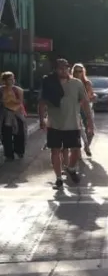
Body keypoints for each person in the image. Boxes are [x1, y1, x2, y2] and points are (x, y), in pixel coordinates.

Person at [39, 58, 93, 188]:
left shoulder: (77, 83)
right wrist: (41, 119)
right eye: (60, 68)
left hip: (73, 123)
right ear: (56, 69)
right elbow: (42, 102)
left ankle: (71, 168)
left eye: (65, 67)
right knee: (55, 151)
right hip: (54, 123)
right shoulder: (49, 83)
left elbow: (85, 102)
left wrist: (89, 121)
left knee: (75, 150)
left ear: (68, 68)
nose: (63, 70)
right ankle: (58, 178)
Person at [1, 71, 27, 160]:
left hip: (17, 113)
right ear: (4, 80)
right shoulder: (1, 90)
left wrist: (9, 100)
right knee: (6, 135)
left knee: (20, 134)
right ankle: (9, 154)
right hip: (5, 115)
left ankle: (19, 151)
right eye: (9, 79)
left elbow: (20, 101)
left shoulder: (18, 90)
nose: (12, 81)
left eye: (13, 78)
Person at [72, 63, 95, 157]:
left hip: (85, 107)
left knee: (90, 131)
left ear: (83, 72)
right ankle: (77, 152)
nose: (78, 73)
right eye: (76, 71)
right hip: (73, 108)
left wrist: (92, 97)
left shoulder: (87, 83)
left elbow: (90, 95)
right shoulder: (69, 82)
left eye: (80, 71)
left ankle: (86, 146)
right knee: (76, 130)